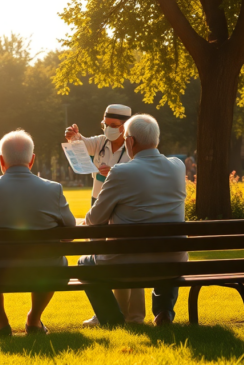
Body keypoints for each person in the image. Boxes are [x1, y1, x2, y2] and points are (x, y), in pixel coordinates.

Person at [0, 130, 76, 337]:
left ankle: (1, 322)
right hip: (44, 270)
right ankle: (34, 319)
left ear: (1, 160)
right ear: (32, 159)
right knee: (53, 261)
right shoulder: (53, 189)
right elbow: (70, 232)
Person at [79, 114, 188, 326]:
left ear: (129, 141)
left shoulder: (121, 172)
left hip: (128, 261)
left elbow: (95, 219)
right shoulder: (178, 166)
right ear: (156, 139)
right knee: (167, 254)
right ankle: (164, 312)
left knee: (84, 264)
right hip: (172, 261)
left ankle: (112, 318)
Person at [64, 104, 142, 326]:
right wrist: (74, 136)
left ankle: (132, 316)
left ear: (125, 126)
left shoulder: (134, 148)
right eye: (105, 124)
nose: (108, 129)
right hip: (98, 202)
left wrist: (115, 175)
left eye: (113, 125)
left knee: (124, 258)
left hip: (122, 206)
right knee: (98, 256)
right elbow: (81, 143)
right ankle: (107, 313)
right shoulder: (101, 142)